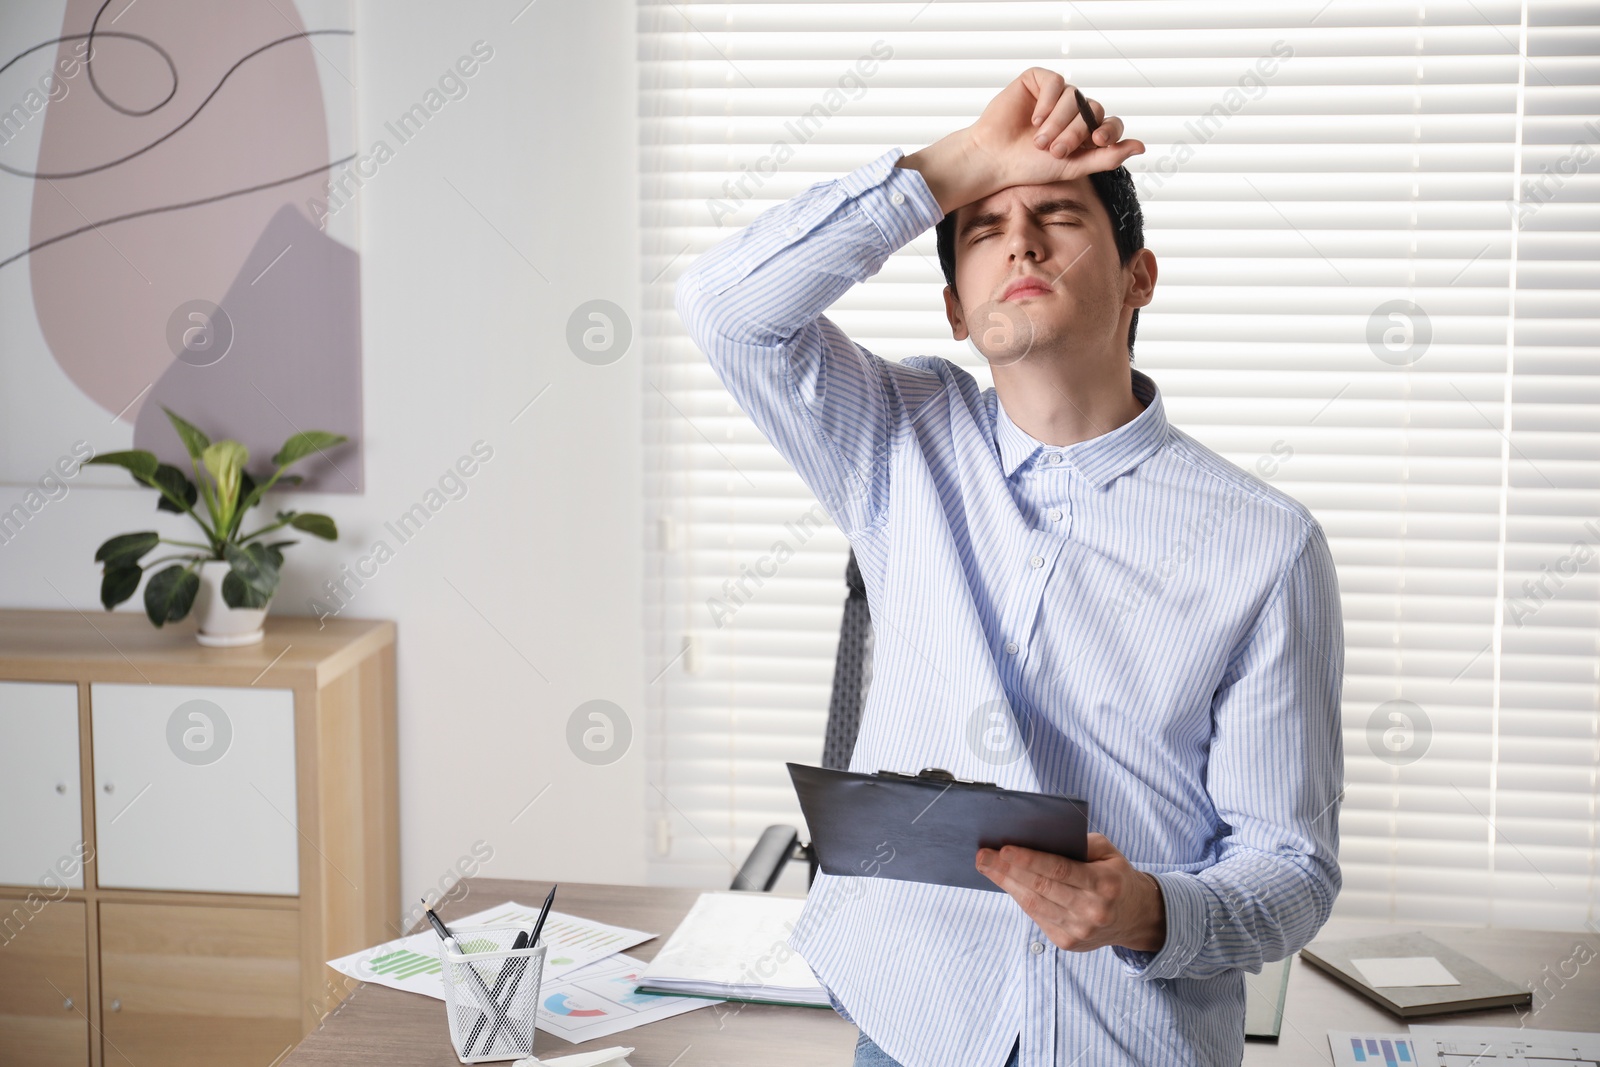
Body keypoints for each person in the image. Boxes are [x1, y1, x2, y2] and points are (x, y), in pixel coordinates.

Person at [673, 68, 1345, 1067]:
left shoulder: (1265, 543)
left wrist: (1149, 908)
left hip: (1125, 1040)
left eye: (1057, 214)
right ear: (955, 308)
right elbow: (725, 309)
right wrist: (958, 166)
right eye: (984, 228)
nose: (1019, 240)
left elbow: (1287, 870)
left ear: (1137, 277)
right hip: (912, 1029)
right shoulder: (896, 442)